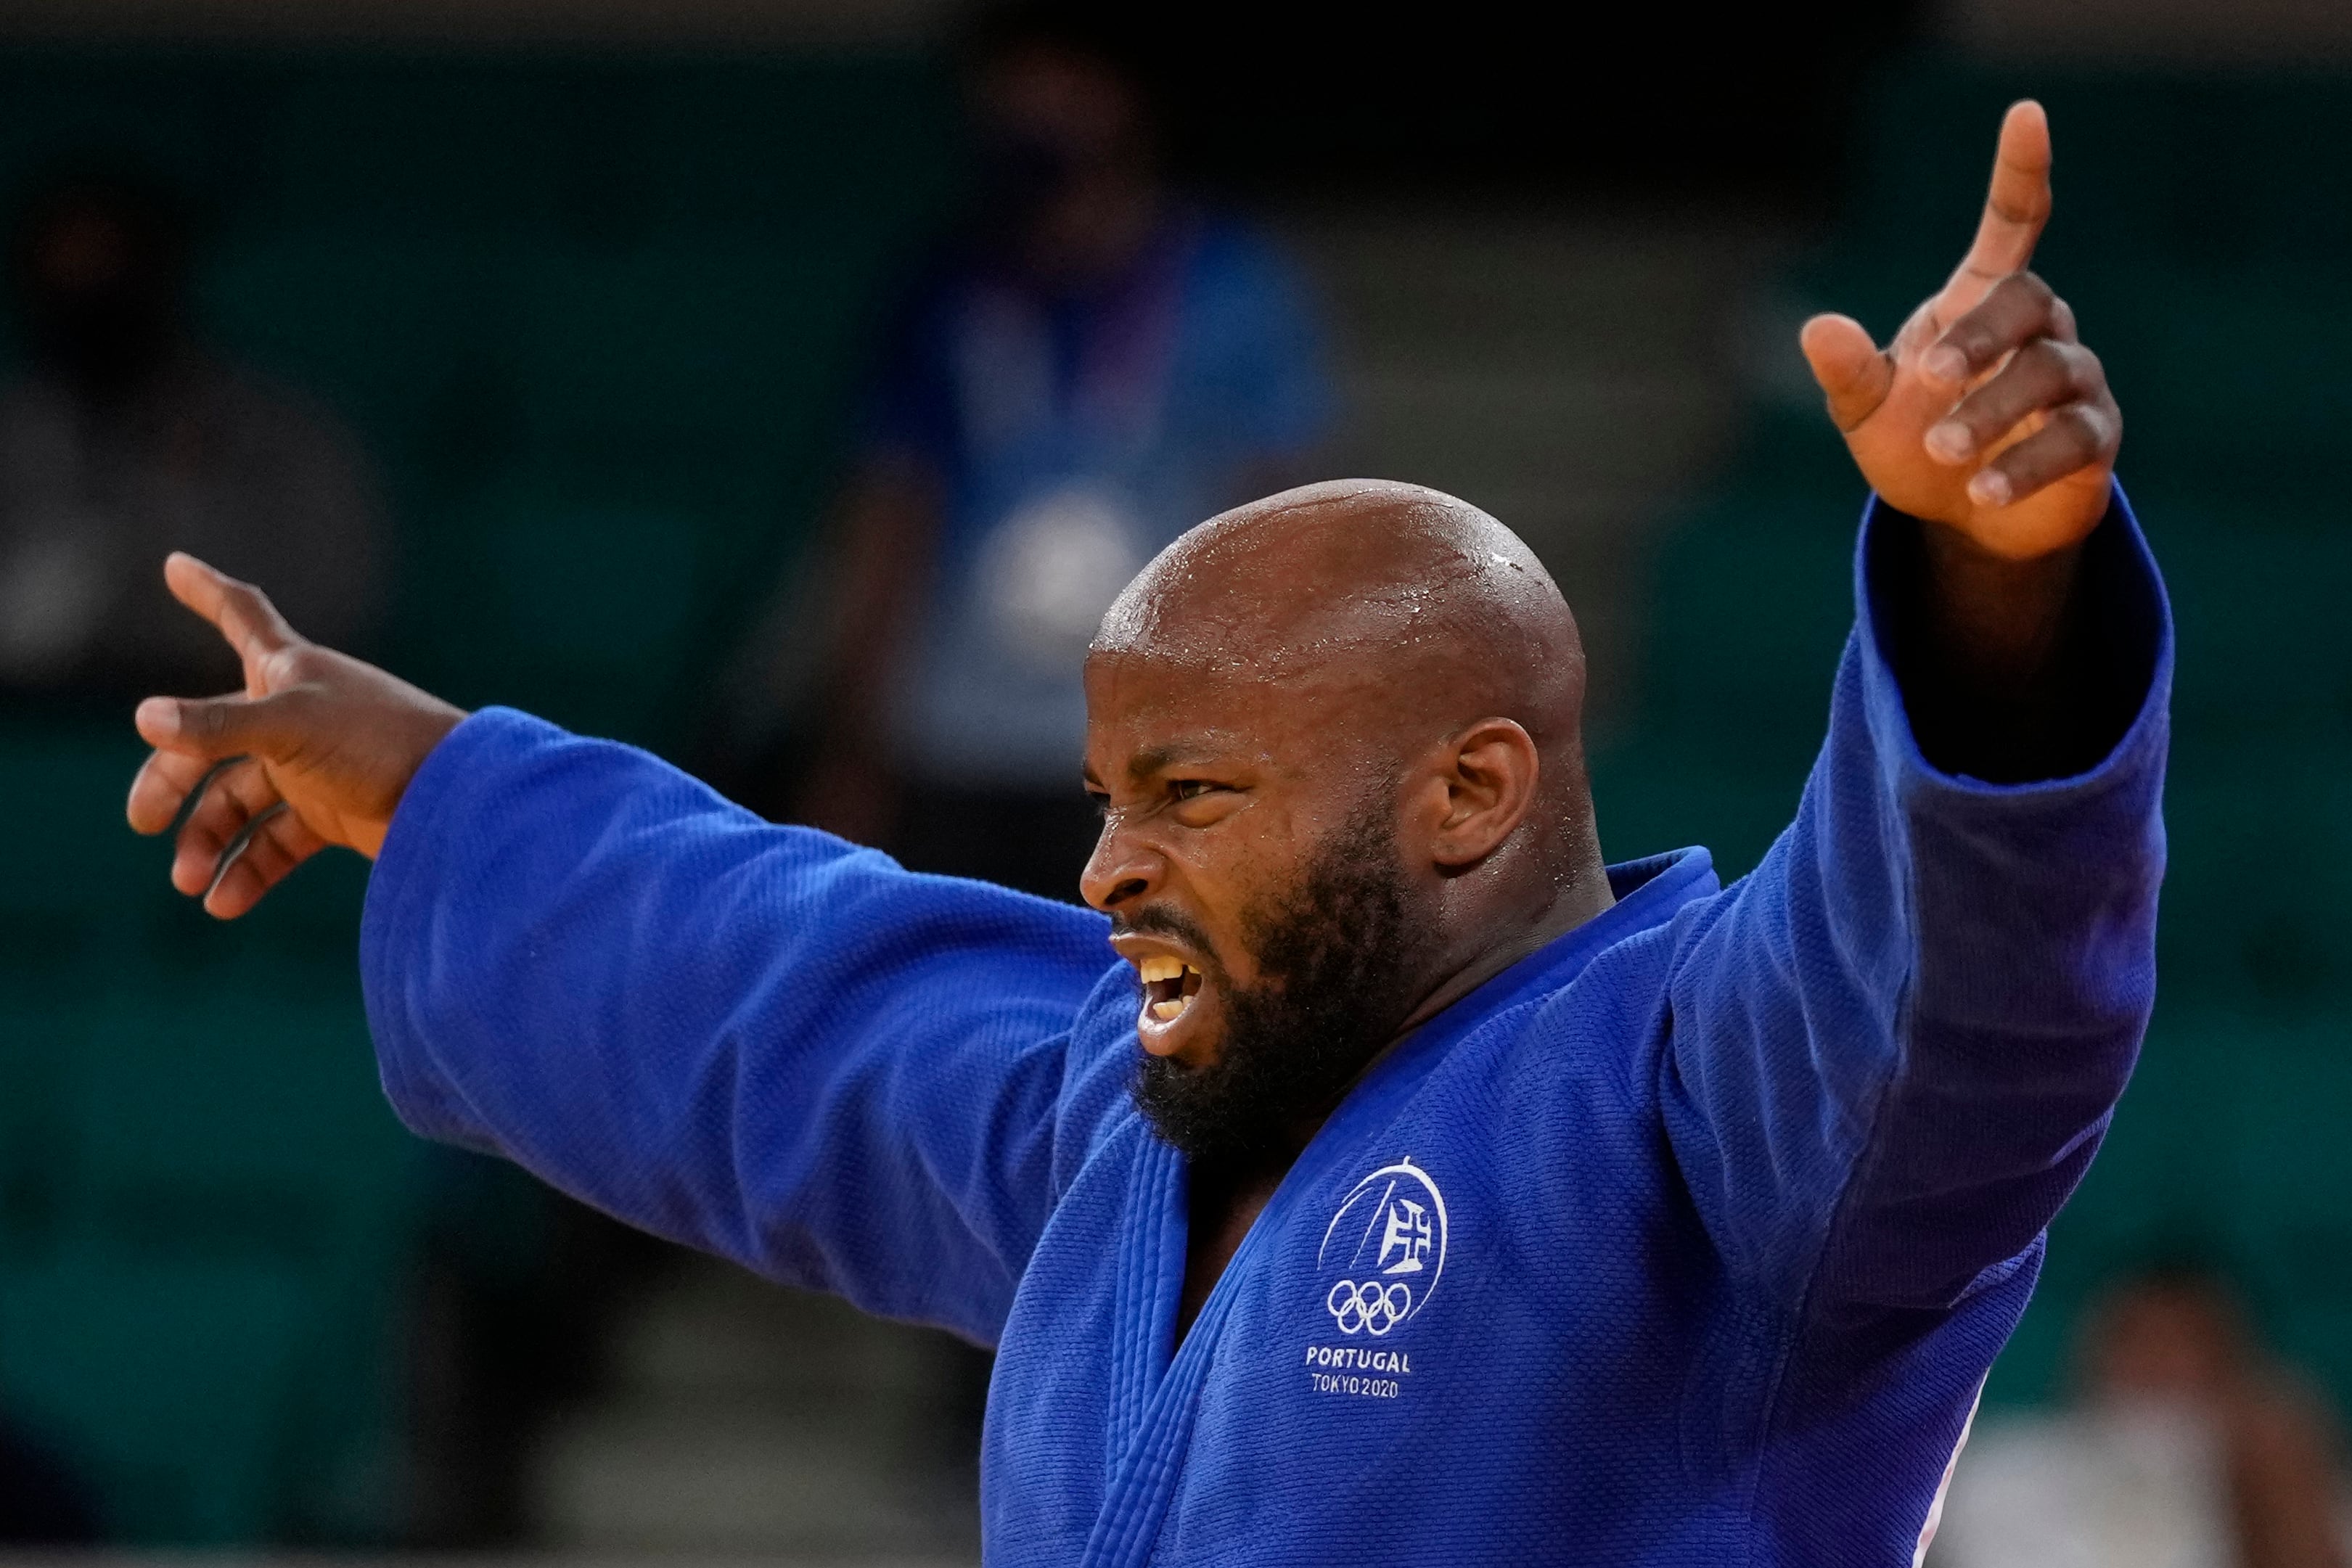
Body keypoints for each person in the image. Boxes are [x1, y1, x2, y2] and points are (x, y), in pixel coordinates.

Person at [122, 104, 2163, 1563]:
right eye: (1109, 802)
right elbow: (782, 987)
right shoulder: (1124, 1111)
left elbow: (1939, 1004)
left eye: (1190, 798)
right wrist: (425, 781)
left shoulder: (1702, 1110)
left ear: (1468, 794)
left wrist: (1991, 589)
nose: (1104, 870)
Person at [741, 2, 1328, 896]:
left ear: (1123, 94)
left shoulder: (1231, 285)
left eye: (1060, 81)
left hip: (1142, 745)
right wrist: (853, 741)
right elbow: (889, 513)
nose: (1032, 112)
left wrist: (1262, 733)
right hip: (949, 739)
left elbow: (1277, 527)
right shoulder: (943, 290)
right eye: (1007, 90)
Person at [0, 165, 382, 707]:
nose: (89, 296)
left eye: (110, 267)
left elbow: (339, 612)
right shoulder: (17, 435)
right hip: (32, 748)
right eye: (66, 272)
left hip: (247, 729)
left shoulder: (284, 439)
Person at [1932, 1265, 2347, 1568]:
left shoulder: (2284, 1479)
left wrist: (2277, 1496)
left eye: (2188, 1347)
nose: (2161, 1364)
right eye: (2142, 1341)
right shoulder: (1996, 1472)